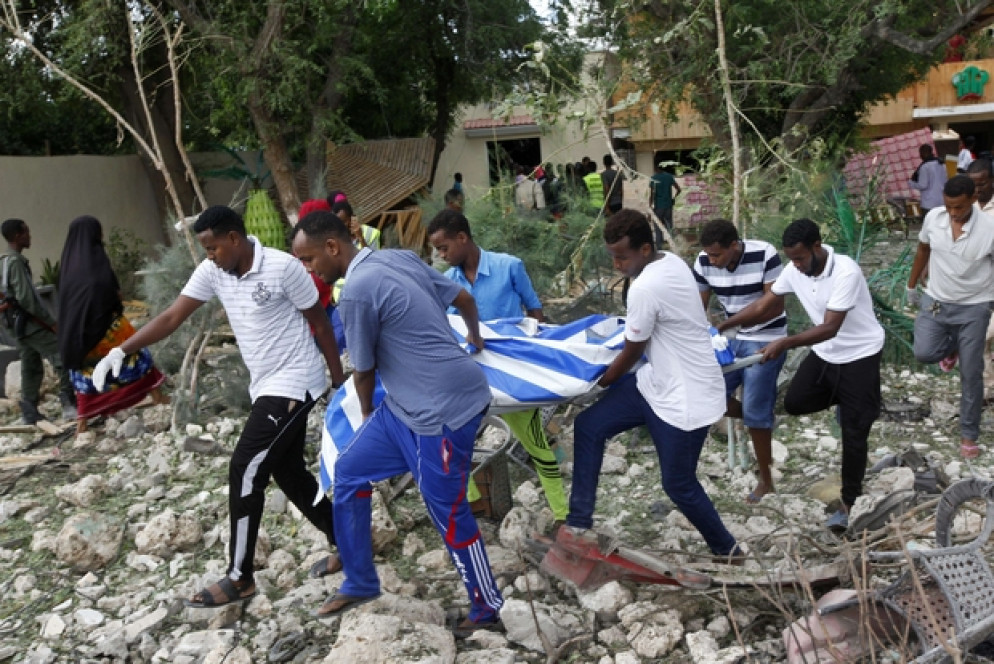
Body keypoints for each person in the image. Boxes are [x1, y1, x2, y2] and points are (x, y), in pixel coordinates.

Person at [91, 205, 345, 609]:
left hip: (297, 379)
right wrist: (122, 349)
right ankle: (346, 541)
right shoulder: (214, 272)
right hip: (265, 384)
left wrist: (335, 377)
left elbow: (318, 321)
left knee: (245, 467)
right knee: (286, 468)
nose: (209, 255)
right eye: (204, 249)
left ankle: (240, 577)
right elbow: (173, 316)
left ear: (234, 239)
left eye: (212, 247)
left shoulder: (282, 268)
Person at [291, 210, 504, 636]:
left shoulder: (355, 292)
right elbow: (463, 300)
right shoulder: (398, 257)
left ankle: (487, 608)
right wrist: (475, 341)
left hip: (440, 413)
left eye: (310, 259)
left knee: (447, 508)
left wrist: (368, 415)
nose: (308, 269)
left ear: (333, 248)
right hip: (408, 405)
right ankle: (360, 581)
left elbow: (363, 372)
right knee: (350, 472)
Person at [563, 210, 742, 560]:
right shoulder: (670, 262)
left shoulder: (646, 286)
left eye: (622, 257)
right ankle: (578, 523)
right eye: (612, 256)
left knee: (678, 484)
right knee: (589, 426)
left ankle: (729, 550)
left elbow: (632, 350)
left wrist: (601, 382)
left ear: (645, 249)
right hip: (655, 383)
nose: (616, 265)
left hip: (685, 396)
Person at [718, 218, 884, 531]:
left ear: (817, 247)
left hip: (859, 354)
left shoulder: (845, 271)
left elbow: (830, 327)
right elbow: (767, 303)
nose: (795, 265)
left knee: (855, 433)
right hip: (826, 355)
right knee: (795, 402)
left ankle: (849, 503)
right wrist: (725, 324)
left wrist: (785, 343)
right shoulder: (794, 270)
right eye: (791, 259)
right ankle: (847, 403)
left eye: (800, 258)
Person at [427, 209, 568, 525]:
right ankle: (472, 508)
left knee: (537, 446)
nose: (440, 255)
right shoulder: (448, 282)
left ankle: (562, 513)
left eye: (444, 247)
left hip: (512, 377)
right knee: (451, 441)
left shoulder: (509, 267)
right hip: (471, 379)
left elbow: (535, 313)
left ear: (462, 238)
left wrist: (534, 362)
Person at [694, 219, 786, 504]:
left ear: (734, 246)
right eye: (709, 255)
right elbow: (699, 306)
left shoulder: (764, 254)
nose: (712, 260)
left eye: (718, 255)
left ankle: (766, 480)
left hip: (767, 338)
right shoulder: (703, 261)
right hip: (729, 339)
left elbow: (773, 306)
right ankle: (758, 415)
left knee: (755, 407)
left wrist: (725, 324)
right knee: (706, 393)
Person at [907, 175, 994, 460]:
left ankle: (969, 434)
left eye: (959, 207)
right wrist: (911, 285)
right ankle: (953, 346)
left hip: (975, 305)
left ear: (972, 199)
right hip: (937, 300)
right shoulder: (934, 218)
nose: (953, 213)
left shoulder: (989, 227)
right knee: (923, 352)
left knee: (971, 372)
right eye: (949, 206)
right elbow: (923, 249)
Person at [57, 216, 167, 434]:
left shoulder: (68, 266)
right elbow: (111, 291)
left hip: (78, 337)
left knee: (86, 374)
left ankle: (83, 422)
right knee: (138, 355)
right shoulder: (96, 261)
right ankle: (157, 396)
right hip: (108, 327)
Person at [0, 219, 75, 423]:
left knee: (30, 364)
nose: (30, 236)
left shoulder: (4, 261)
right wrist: (51, 322)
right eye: (27, 232)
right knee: (63, 355)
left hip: (15, 325)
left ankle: (29, 410)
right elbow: (27, 298)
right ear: (17, 236)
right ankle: (69, 402)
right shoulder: (15, 262)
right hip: (29, 323)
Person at [909, 144, 947, 219]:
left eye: (921, 153)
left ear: (924, 153)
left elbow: (923, 185)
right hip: (942, 202)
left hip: (929, 204)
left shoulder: (925, 167)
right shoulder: (942, 164)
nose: (920, 156)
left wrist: (912, 184)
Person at [649, 163, 682, 246]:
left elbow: (652, 195)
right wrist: (673, 199)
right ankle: (672, 245)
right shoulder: (669, 177)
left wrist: (649, 208)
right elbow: (679, 189)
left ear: (655, 168)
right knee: (669, 226)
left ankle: (659, 246)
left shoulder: (654, 178)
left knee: (658, 226)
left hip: (658, 207)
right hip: (668, 206)